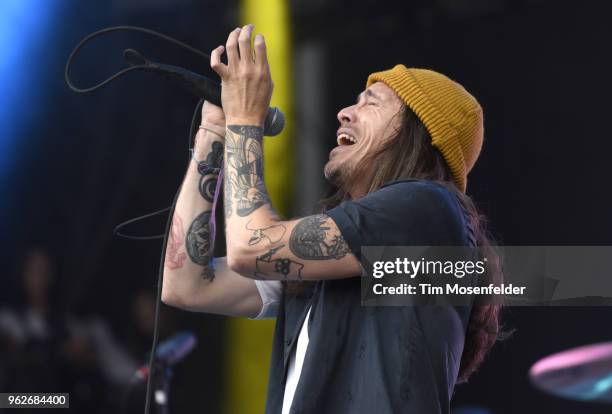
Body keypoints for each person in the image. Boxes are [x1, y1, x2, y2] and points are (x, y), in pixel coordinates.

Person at [161, 24, 502, 414]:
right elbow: (185, 285)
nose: (345, 112)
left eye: (371, 103)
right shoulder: (336, 261)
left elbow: (250, 245)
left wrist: (244, 122)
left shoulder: (429, 208)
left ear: (420, 135)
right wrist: (214, 133)